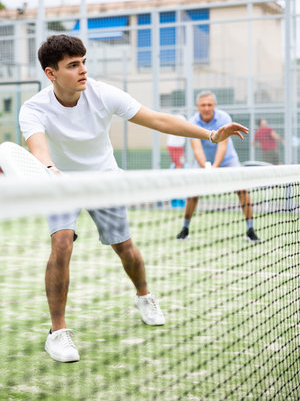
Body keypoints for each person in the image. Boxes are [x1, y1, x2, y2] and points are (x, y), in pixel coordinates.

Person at [19, 35, 249, 363]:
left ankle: (144, 296)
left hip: (104, 178)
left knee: (125, 248)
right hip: (60, 182)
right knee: (61, 244)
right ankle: (57, 332)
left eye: (84, 61)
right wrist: (50, 168)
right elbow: (38, 147)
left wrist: (211, 134)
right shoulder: (34, 108)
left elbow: (157, 119)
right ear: (51, 73)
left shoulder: (102, 93)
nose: (83, 70)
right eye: (73, 65)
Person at [176, 90, 260, 243]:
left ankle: (250, 230)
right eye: (203, 105)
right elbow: (197, 149)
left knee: (242, 190)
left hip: (228, 160)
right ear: (198, 106)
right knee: (192, 192)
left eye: (209, 105)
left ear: (214, 105)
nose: (206, 108)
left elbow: (222, 145)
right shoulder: (192, 121)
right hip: (203, 163)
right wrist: (207, 168)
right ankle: (185, 229)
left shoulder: (224, 118)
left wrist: (214, 167)